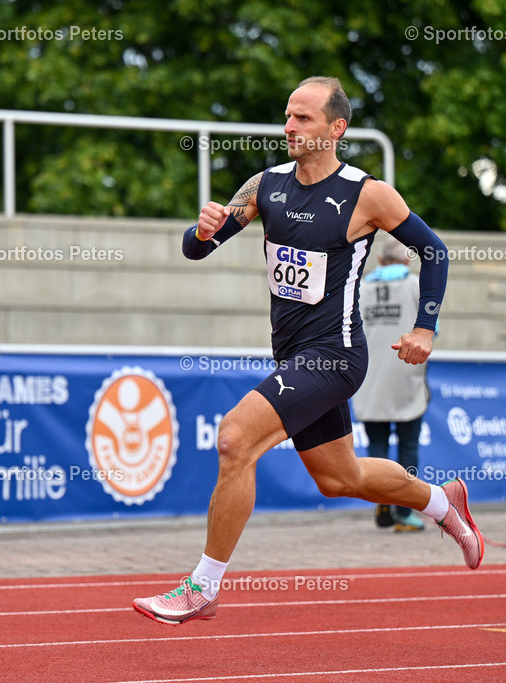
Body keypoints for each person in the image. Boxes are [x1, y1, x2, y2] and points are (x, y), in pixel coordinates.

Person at [132, 76, 483, 626]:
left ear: (335, 128)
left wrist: (425, 329)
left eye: (303, 118)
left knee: (234, 439)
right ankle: (443, 503)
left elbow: (434, 252)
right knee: (340, 478)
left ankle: (202, 588)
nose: (289, 127)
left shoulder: (368, 194)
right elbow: (200, 249)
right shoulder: (266, 185)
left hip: (335, 356)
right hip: (292, 356)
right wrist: (200, 232)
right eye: (288, 116)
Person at [352, 236, 431, 532]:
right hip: (406, 374)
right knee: (409, 446)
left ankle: (381, 497)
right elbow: (431, 330)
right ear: (408, 260)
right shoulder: (415, 285)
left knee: (376, 446)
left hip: (368, 376)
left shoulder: (360, 288)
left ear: (381, 260)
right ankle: (405, 510)